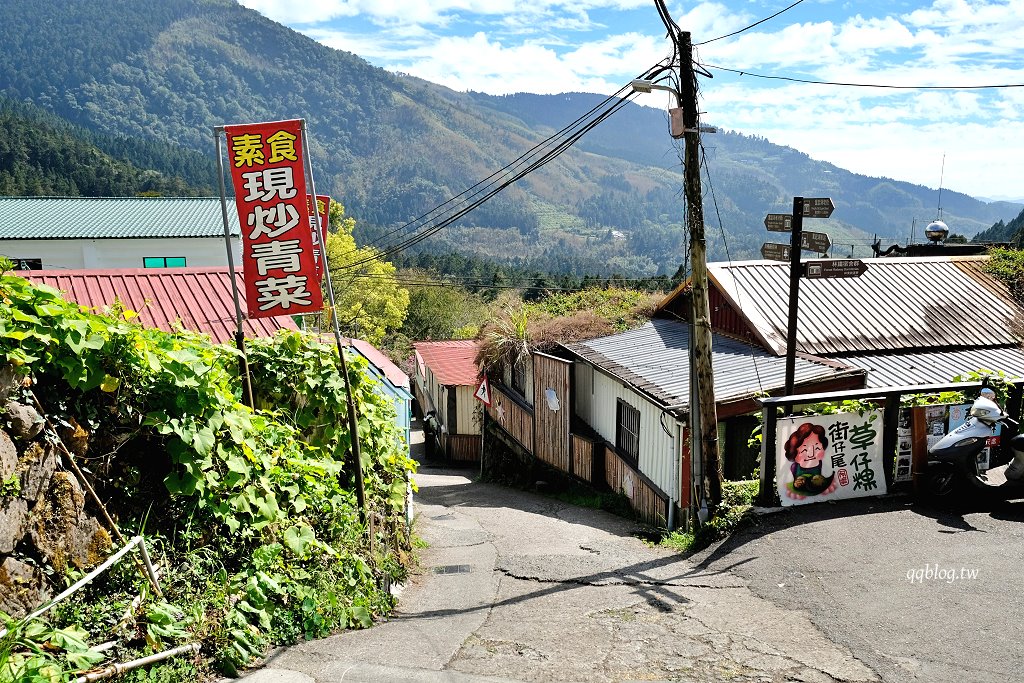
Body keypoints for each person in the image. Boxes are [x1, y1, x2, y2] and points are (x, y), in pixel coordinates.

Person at [783, 422, 837, 499]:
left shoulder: (822, 465)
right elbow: (792, 482)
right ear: (794, 453)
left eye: (817, 448)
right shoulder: (794, 467)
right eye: (804, 450)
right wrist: (797, 483)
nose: (811, 454)